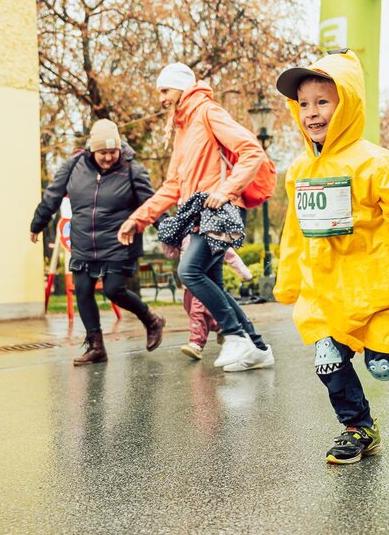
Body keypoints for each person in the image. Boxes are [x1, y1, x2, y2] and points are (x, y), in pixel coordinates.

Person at [273, 49, 389, 465]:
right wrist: (290, 282)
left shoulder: (380, 165)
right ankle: (358, 428)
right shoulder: (298, 170)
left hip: (381, 291)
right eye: (303, 104)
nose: (312, 113)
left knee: (385, 370)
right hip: (325, 294)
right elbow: (295, 230)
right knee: (328, 362)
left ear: (347, 103)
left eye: (323, 102)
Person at [117, 63, 273, 372]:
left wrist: (227, 190)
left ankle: (235, 336)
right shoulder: (182, 128)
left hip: (219, 211)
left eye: (165, 90)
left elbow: (252, 151)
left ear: (181, 88)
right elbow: (173, 185)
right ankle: (259, 348)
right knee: (212, 281)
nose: (160, 98)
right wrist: (139, 219)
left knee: (189, 271)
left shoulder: (206, 112)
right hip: (198, 214)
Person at [32, 119, 163, 365]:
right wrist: (38, 224)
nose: (108, 158)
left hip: (118, 241)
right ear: (92, 149)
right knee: (82, 291)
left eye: (113, 152)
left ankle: (151, 320)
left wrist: (170, 233)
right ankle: (96, 347)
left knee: (114, 289)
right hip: (83, 242)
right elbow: (52, 195)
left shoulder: (132, 169)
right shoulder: (73, 166)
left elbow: (152, 205)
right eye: (102, 152)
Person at [175, 238, 252, 361]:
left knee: (197, 312)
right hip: (188, 286)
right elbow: (172, 253)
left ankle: (196, 344)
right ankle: (221, 328)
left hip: (203, 283)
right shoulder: (184, 233)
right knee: (192, 310)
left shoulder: (209, 234)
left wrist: (244, 273)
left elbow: (229, 254)